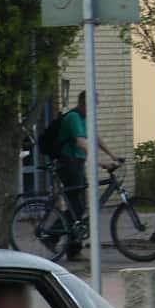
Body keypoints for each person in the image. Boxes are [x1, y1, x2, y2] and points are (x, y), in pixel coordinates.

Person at [51, 92, 119, 245]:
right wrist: (100, 162)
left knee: (79, 206)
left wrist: (113, 155)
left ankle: (68, 244)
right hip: (67, 163)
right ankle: (55, 238)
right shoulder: (73, 117)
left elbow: (95, 137)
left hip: (76, 163)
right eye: (94, 104)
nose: (96, 107)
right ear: (85, 103)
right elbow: (81, 142)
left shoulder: (85, 118)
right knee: (77, 205)